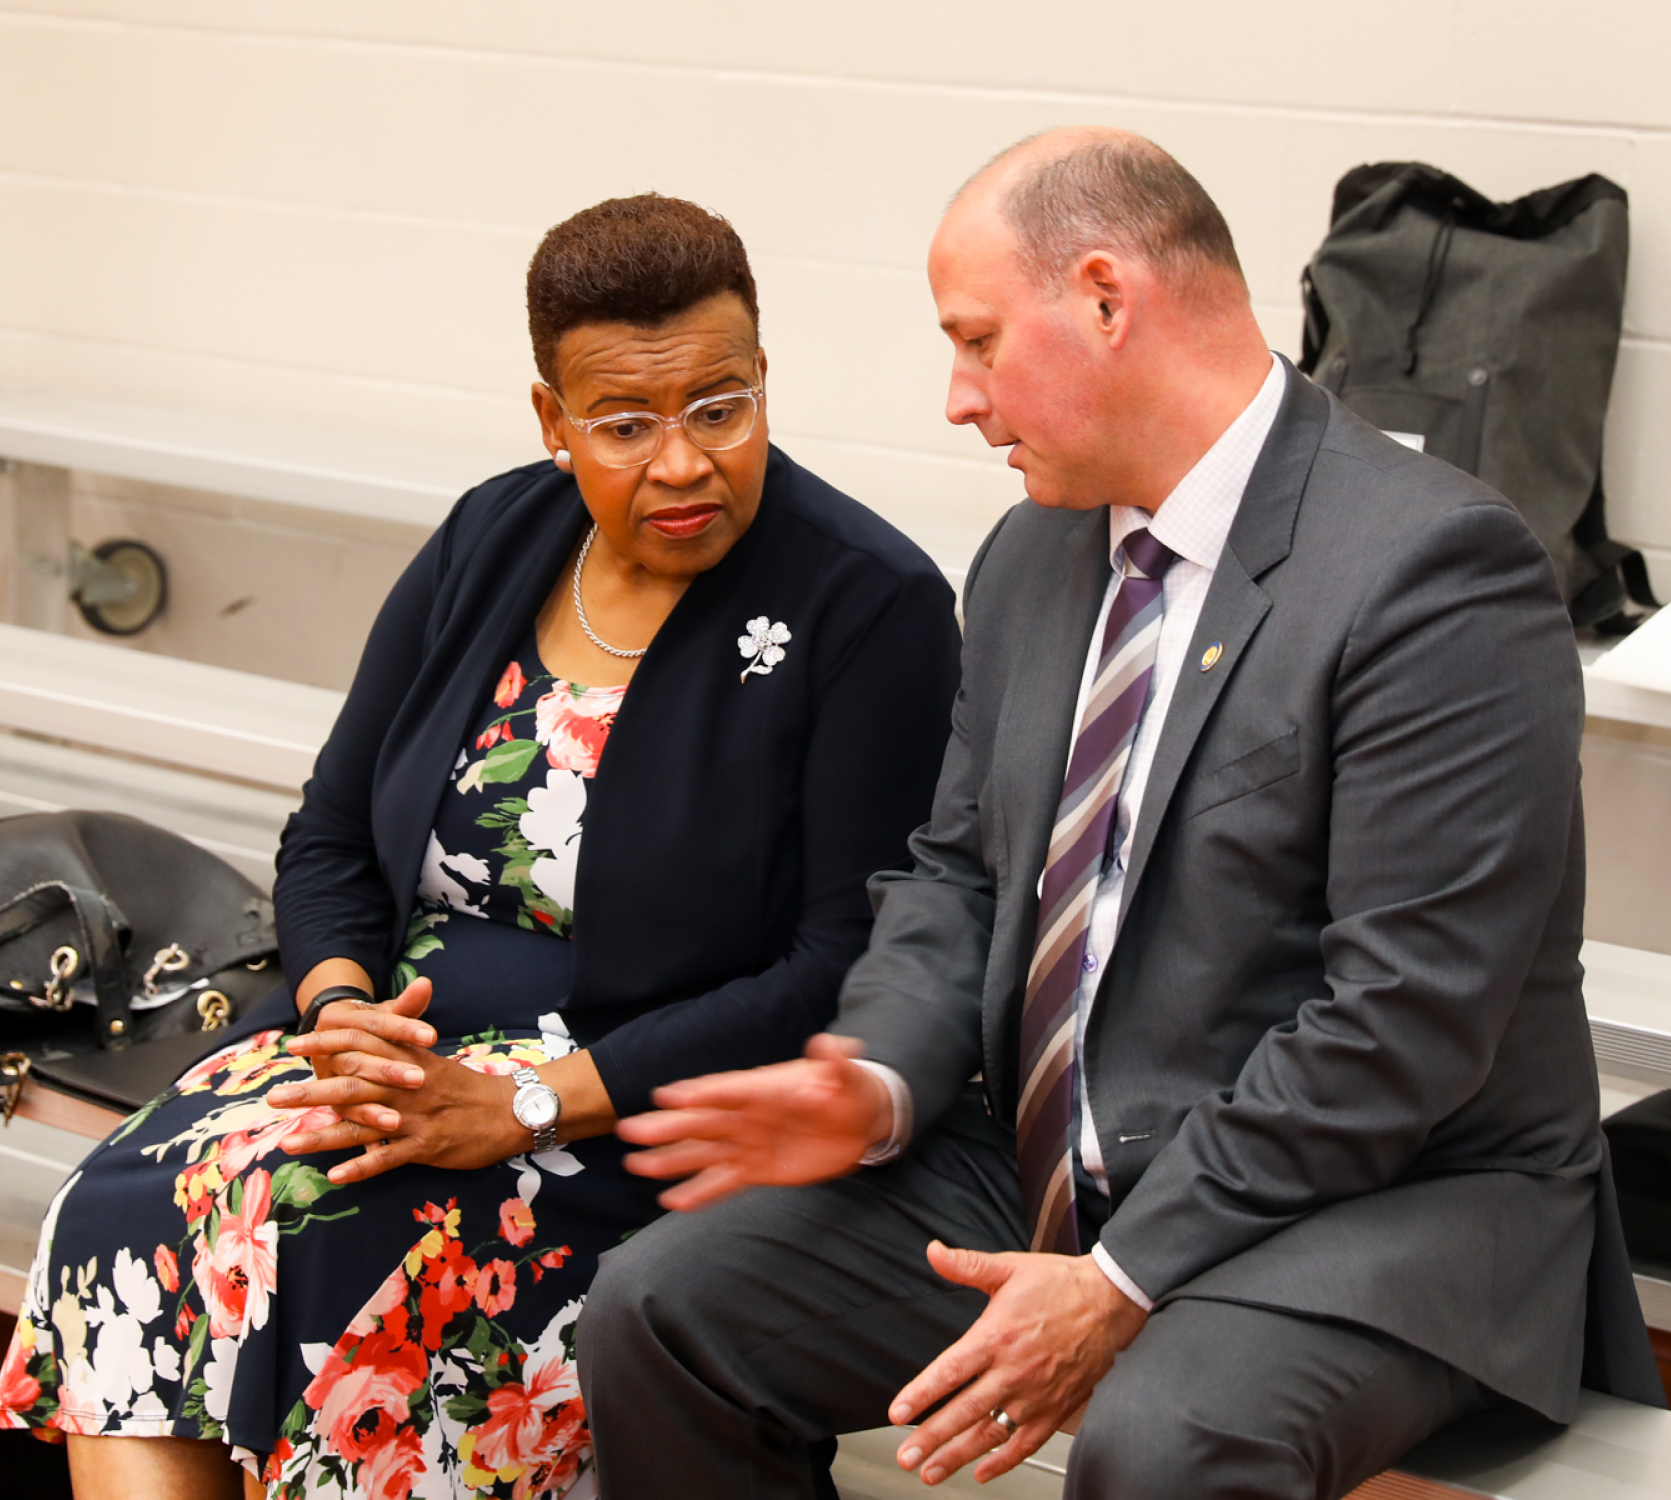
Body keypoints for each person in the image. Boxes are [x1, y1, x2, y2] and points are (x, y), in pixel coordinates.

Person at [578, 130, 1664, 1499]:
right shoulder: (1035, 554)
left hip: (1380, 1194)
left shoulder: (1432, 571)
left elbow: (1404, 1021)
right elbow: (958, 876)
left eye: (976, 341)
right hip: (1066, 1163)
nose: (959, 399)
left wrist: (1120, 1275)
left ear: (1105, 298)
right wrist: (874, 1074)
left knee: (1166, 1440)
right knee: (663, 1307)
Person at [0, 193, 960, 1500]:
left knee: (322, 1248)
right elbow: (334, 832)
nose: (682, 462)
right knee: (123, 1213)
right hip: (392, 1060)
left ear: (762, 382)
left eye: (719, 407)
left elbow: (840, 963)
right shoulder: (493, 539)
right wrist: (337, 1006)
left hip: (627, 1112)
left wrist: (515, 1104)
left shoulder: (866, 603)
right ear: (553, 425)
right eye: (625, 426)